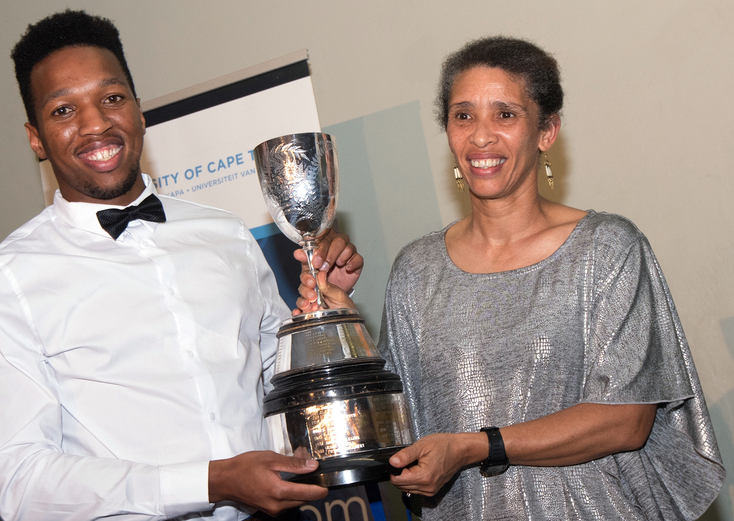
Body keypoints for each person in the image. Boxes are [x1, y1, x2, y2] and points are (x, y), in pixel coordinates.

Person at [0, 10, 364, 521]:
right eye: (63, 110)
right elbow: (20, 480)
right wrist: (210, 481)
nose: (95, 124)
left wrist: (324, 312)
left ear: (138, 110)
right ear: (36, 138)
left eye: (112, 98)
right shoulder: (3, 281)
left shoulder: (226, 234)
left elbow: (277, 381)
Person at [298, 37, 725, 519]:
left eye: (505, 114)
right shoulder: (417, 270)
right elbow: (400, 429)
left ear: (547, 130)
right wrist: (343, 323)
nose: (481, 137)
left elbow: (626, 421)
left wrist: (478, 447)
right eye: (463, 116)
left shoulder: (606, 248)